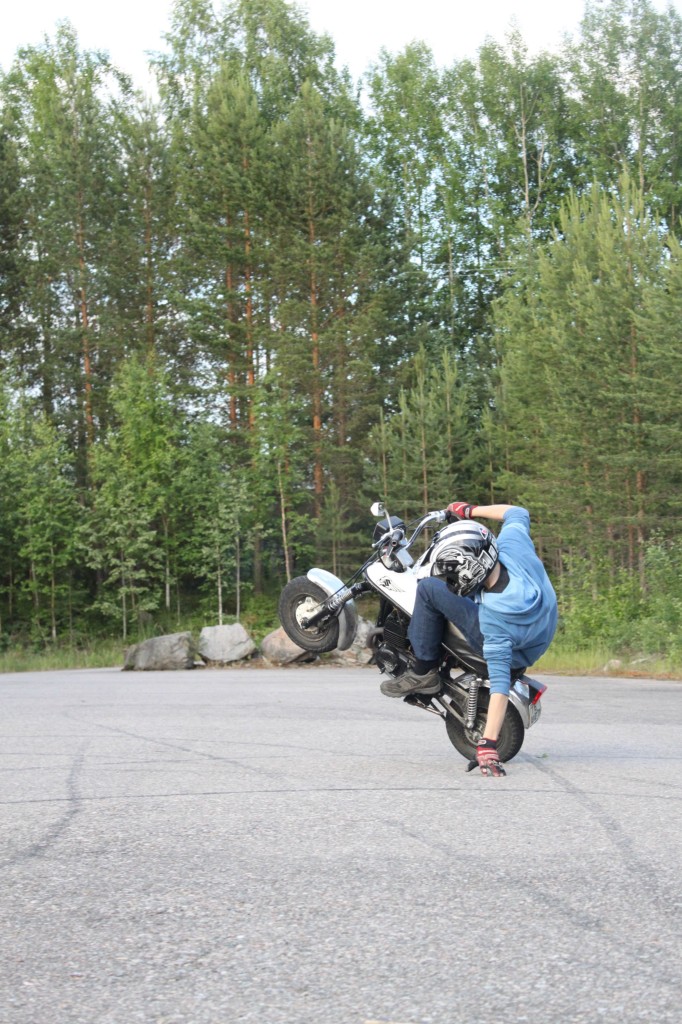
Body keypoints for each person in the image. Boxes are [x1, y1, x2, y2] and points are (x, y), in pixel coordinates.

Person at [380, 501, 558, 778]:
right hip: (541, 629)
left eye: (454, 577)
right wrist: (469, 510)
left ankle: (424, 671)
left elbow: (500, 683)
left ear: (472, 572)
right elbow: (517, 513)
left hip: (517, 649)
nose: (452, 581)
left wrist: (487, 744)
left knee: (428, 588)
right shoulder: (512, 546)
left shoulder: (495, 618)